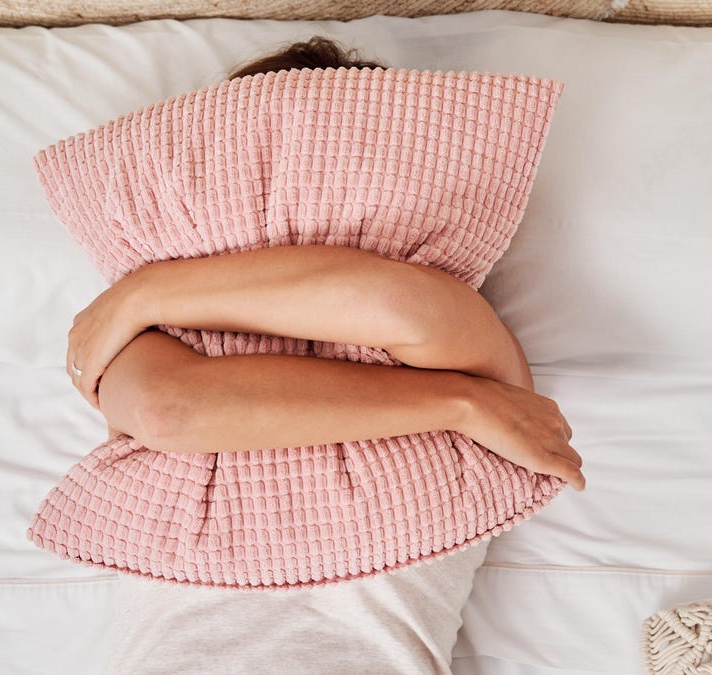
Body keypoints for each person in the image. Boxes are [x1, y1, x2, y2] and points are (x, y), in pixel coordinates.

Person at [65, 36, 585, 674]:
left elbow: (392, 301)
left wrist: (146, 289)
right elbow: (170, 410)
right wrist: (461, 405)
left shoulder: (466, 345)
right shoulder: (152, 343)